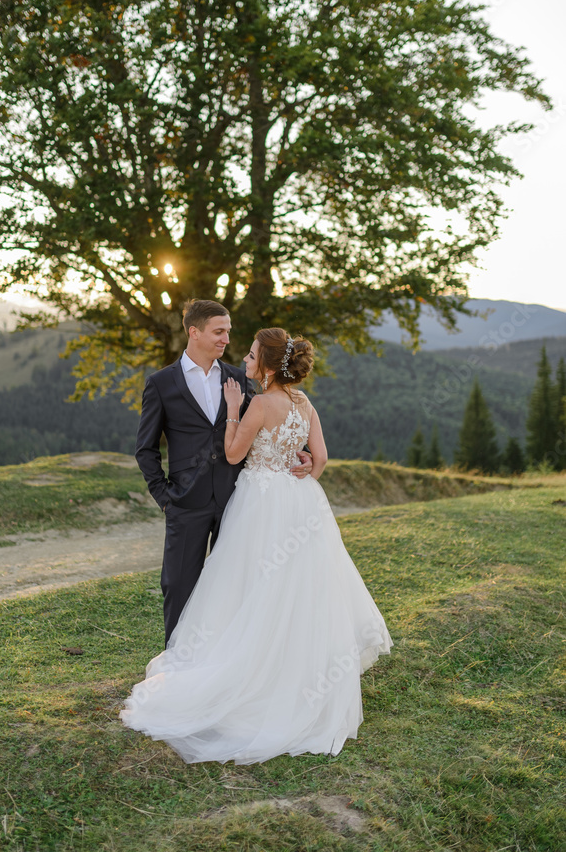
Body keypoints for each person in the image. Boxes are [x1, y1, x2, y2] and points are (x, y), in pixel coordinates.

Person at [120, 327, 394, 765]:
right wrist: (302, 471)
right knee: (295, 592)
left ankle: (249, 679)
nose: (244, 361)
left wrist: (232, 409)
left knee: (247, 586)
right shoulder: (305, 404)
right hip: (300, 504)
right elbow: (319, 458)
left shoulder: (260, 404)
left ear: (267, 366)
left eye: (250, 356)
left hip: (260, 505)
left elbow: (232, 454)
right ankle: (294, 678)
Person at [134, 300, 313, 646]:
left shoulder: (237, 376)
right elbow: (146, 448)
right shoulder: (161, 384)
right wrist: (165, 498)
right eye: (219, 332)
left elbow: (266, 425)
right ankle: (177, 661)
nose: (226, 339)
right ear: (194, 332)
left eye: (228, 332)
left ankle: (225, 659)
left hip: (237, 500)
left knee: (235, 585)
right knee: (178, 584)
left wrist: (300, 451)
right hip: (186, 502)